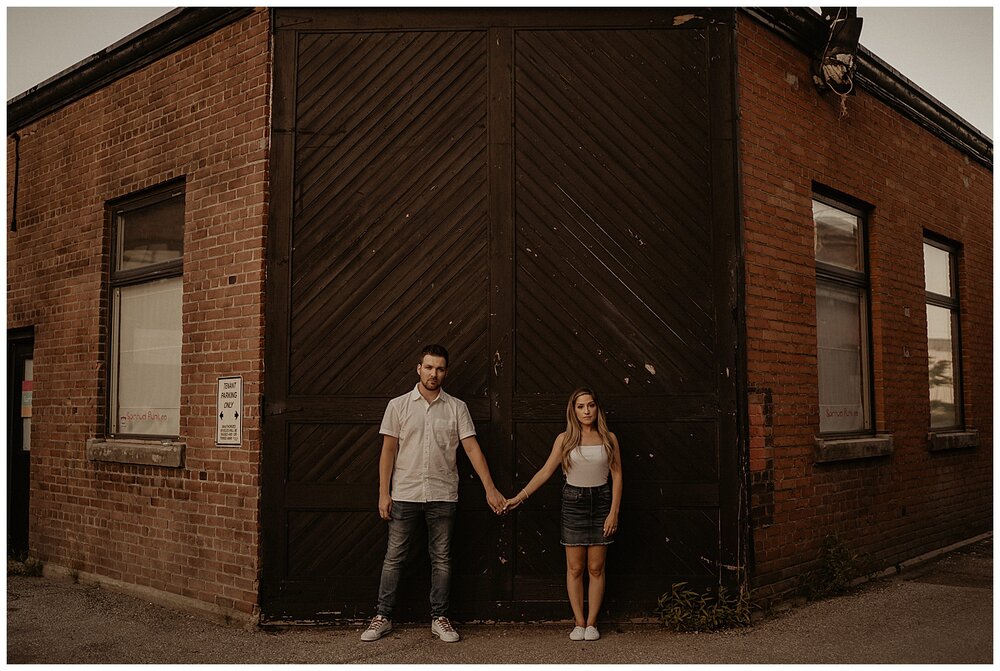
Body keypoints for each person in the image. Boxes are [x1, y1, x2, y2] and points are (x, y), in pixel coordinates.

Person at [360, 344, 506, 643]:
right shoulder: (398, 405)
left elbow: (471, 448)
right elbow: (388, 450)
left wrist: (490, 488)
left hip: (443, 494)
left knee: (442, 559)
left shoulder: (456, 408)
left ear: (446, 372)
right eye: (428, 367)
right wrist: (383, 493)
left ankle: (440, 618)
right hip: (405, 493)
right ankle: (382, 617)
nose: (433, 373)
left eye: (439, 368)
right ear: (419, 368)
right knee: (394, 558)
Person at [504, 387, 623, 641]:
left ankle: (592, 623)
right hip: (573, 503)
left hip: (601, 501)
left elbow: (617, 475)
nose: (586, 411)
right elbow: (545, 472)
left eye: (590, 405)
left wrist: (613, 512)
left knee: (596, 567)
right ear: (573, 410)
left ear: (597, 408)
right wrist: (519, 497)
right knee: (575, 567)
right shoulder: (565, 439)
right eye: (581, 407)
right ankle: (578, 622)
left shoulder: (609, 437)